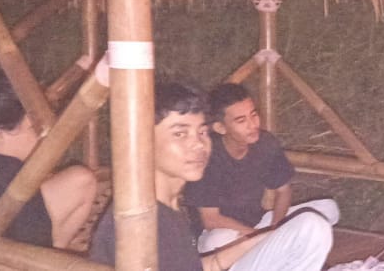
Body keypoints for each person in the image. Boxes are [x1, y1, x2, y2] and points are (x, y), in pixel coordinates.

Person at [89, 81, 332, 271]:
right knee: (311, 228)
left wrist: (270, 237)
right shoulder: (138, 219)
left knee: (310, 225)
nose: (198, 144)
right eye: (180, 134)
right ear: (142, 143)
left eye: (202, 132)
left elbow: (207, 265)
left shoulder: (168, 209)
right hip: (221, 235)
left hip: (238, 237)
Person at [187, 83, 339, 253]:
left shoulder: (265, 144)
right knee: (217, 241)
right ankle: (272, 251)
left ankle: (268, 250)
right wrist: (260, 236)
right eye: (241, 120)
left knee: (327, 209)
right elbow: (211, 220)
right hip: (222, 232)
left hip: (258, 224)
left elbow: (283, 191)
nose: (252, 125)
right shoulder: (207, 156)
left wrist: (275, 227)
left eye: (253, 115)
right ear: (220, 128)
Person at [0, 72, 96, 249]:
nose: (39, 137)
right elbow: (31, 235)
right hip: (8, 255)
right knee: (80, 178)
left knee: (79, 179)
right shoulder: (5, 171)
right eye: (33, 129)